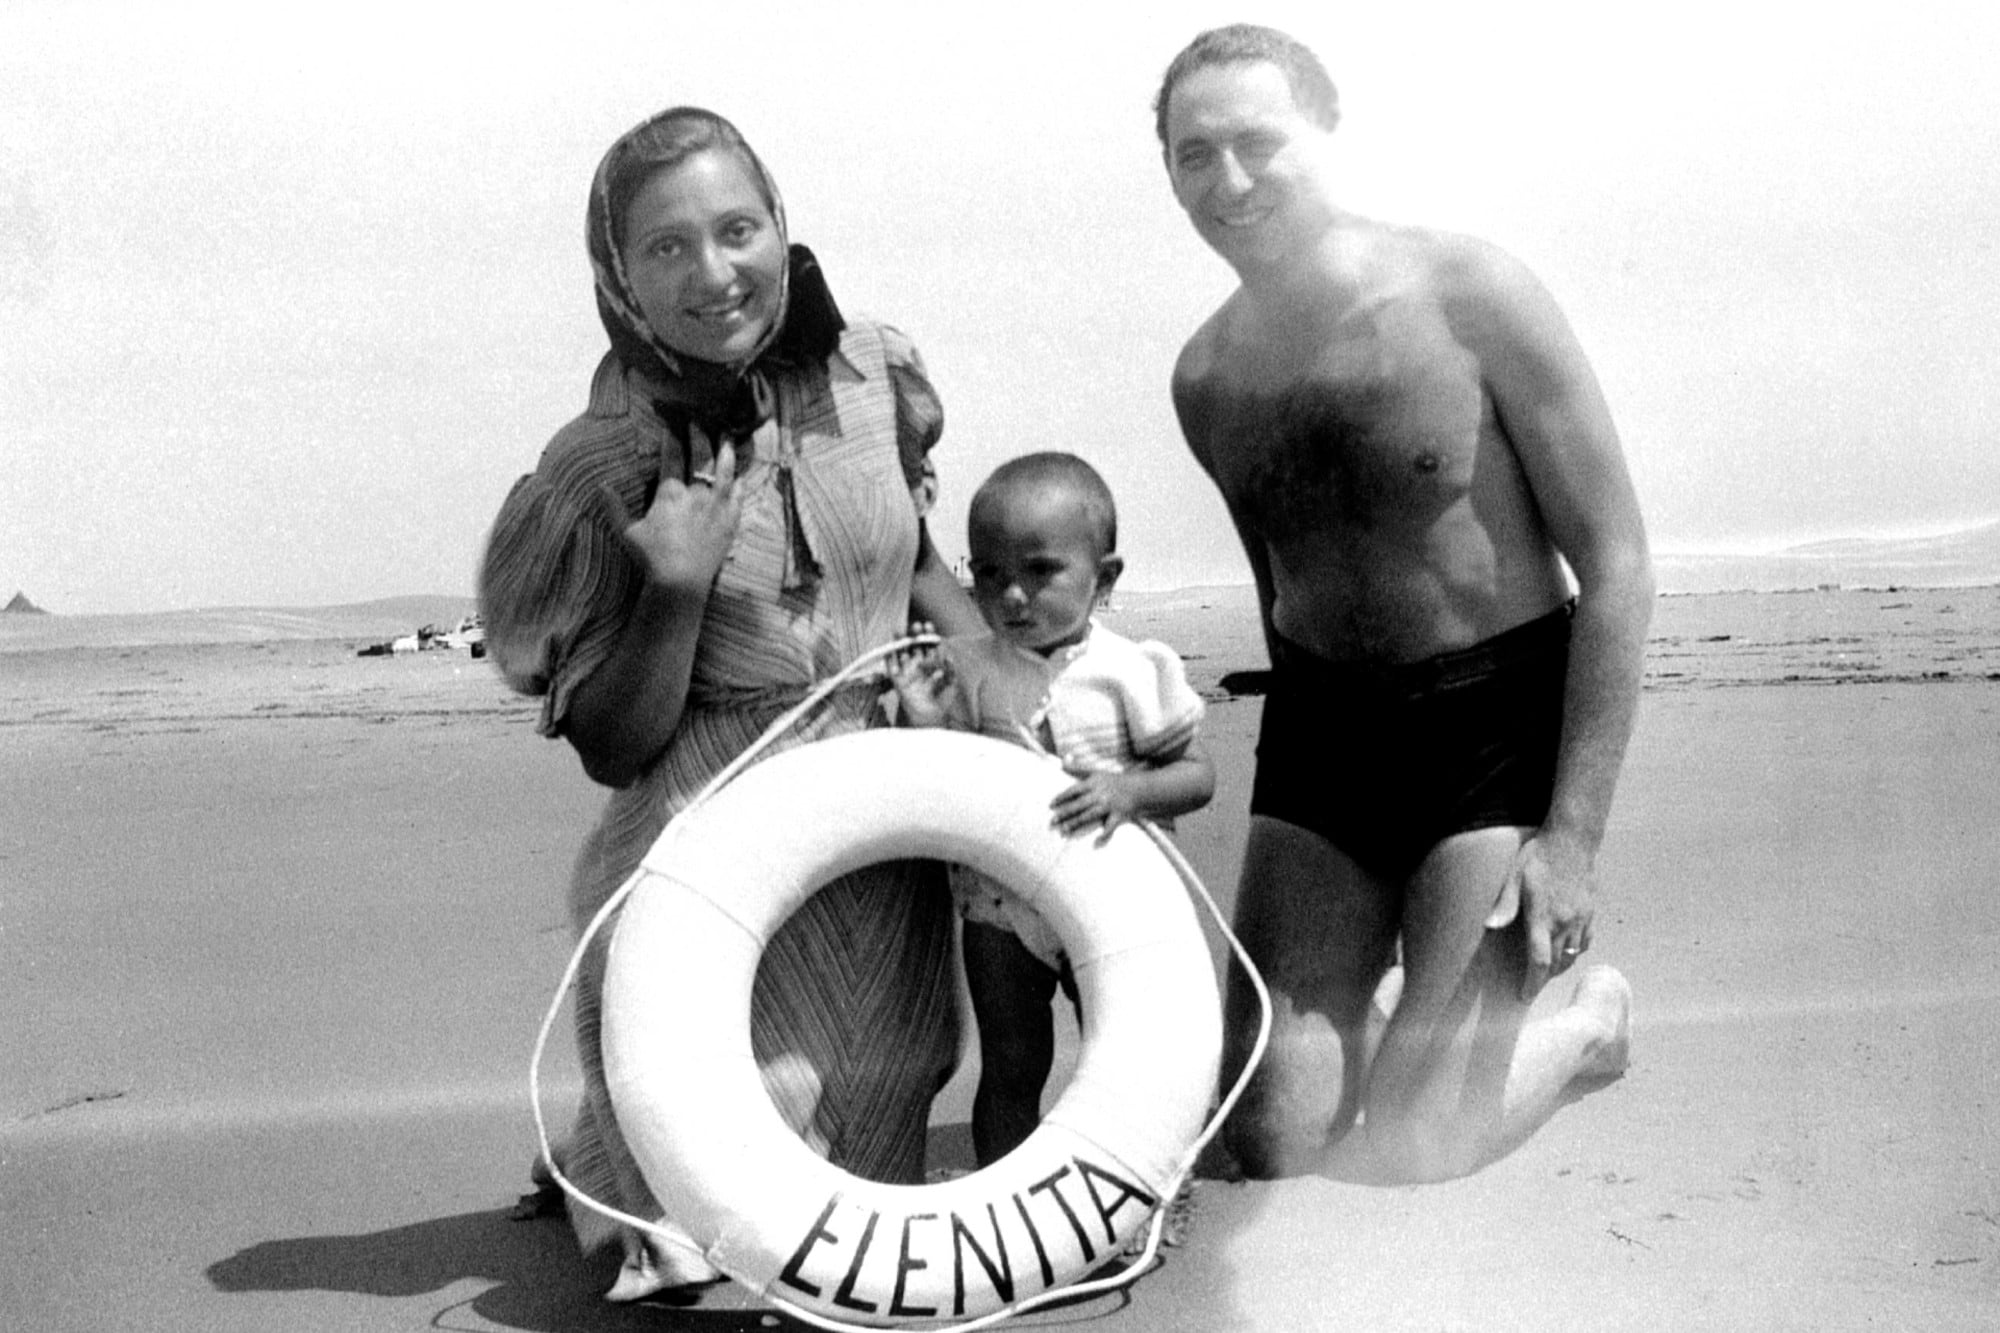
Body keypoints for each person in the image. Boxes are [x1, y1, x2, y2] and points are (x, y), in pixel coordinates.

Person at [479, 106, 981, 1301]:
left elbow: (916, 562)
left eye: (736, 228)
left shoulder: (875, 379)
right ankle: (605, 1168)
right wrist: (673, 588)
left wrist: (1002, 684)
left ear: (781, 228)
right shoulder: (598, 466)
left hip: (876, 819)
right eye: (665, 249)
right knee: (715, 1254)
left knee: (869, 1192)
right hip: (701, 841)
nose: (714, 274)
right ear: (617, 278)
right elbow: (611, 747)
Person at [1154, 25, 1654, 1184]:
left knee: (1419, 1141)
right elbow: (1280, 587)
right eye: (1192, 155)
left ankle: (1585, 1022)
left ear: (1325, 138)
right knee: (1269, 1133)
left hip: (1491, 731)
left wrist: (1569, 838)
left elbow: (1616, 557)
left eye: (1256, 143)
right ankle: (1416, 995)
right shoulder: (1205, 378)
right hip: (1326, 737)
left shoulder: (1471, 293)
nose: (1226, 181)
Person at [889, 452, 1216, 1168]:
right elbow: (944, 782)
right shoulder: (968, 664)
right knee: (1010, 1062)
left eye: (1040, 571)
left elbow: (1197, 777)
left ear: (1104, 577)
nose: (1011, 596)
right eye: (989, 572)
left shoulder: (1132, 670)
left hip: (1116, 903)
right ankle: (1006, 1203)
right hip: (1000, 909)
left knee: (1127, 1055)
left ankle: (1139, 1182)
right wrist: (924, 716)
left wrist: (1129, 791)